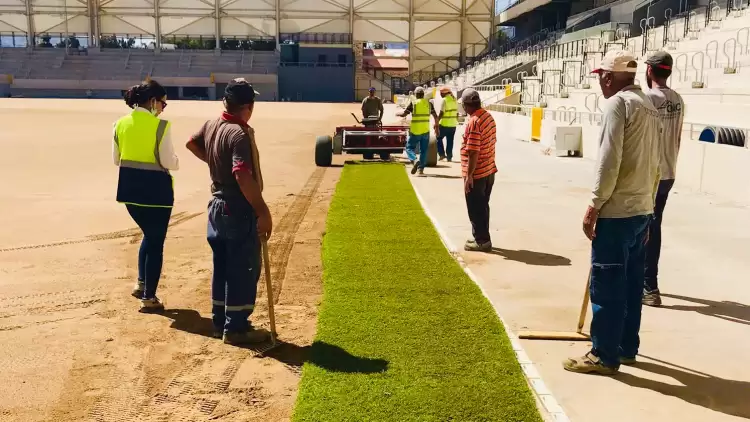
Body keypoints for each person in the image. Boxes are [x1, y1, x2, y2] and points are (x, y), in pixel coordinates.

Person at [563, 50, 661, 375]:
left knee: (607, 283)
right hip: (641, 210)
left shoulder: (617, 104)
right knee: (632, 284)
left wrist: (594, 204)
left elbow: (609, 161)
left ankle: (603, 354)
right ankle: (625, 347)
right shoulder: (649, 105)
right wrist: (649, 209)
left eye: (600, 77)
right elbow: (656, 165)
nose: (600, 83)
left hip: (617, 212)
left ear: (607, 76)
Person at [185, 78, 272, 345]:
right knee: (243, 268)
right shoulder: (238, 133)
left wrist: (214, 162)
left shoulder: (212, 125)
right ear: (248, 106)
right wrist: (262, 211)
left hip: (217, 206)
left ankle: (220, 321)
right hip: (237, 207)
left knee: (222, 266)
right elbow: (242, 175)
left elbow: (192, 143)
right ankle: (236, 328)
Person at [113, 80, 179, 313]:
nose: (163, 108)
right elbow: (169, 161)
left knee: (148, 237)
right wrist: (176, 161)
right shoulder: (160, 126)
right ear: (152, 101)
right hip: (157, 193)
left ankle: (141, 285)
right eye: (163, 103)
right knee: (155, 242)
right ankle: (149, 296)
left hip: (130, 192)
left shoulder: (120, 124)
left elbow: (116, 158)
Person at [642, 51, 685, 307]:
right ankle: (647, 283)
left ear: (649, 71)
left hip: (651, 173)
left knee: (646, 227)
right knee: (653, 225)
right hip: (668, 171)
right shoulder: (677, 99)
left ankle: (649, 286)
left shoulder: (648, 99)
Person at [459, 88, 497, 252]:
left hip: (478, 173)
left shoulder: (474, 121)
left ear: (467, 106)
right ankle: (481, 236)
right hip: (488, 171)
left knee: (475, 209)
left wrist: (469, 176)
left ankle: (482, 241)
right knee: (483, 206)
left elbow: (473, 151)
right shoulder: (487, 116)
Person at [396, 86, 438, 176]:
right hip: (426, 130)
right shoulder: (429, 103)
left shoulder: (413, 103)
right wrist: (437, 127)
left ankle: (415, 160)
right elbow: (435, 116)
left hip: (415, 131)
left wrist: (398, 114)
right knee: (424, 151)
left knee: (409, 148)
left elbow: (404, 114)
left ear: (416, 94)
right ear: (423, 95)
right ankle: (421, 170)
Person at [434, 86, 458, 162]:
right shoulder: (454, 100)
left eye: (441, 93)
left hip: (444, 124)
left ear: (444, 93)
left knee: (438, 138)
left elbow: (441, 113)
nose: (440, 95)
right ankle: (449, 157)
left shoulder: (444, 100)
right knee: (450, 141)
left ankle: (441, 154)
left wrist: (436, 122)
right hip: (453, 124)